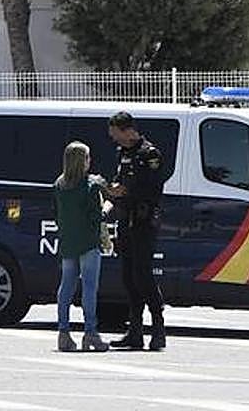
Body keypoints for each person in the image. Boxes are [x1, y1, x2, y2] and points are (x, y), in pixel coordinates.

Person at [104, 112, 165, 351]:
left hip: (143, 221)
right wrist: (111, 192)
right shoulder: (124, 153)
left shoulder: (149, 154)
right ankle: (135, 331)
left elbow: (151, 187)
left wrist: (125, 191)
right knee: (128, 277)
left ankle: (158, 328)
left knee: (143, 276)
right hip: (125, 221)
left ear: (127, 130)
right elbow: (119, 180)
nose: (114, 139)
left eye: (116, 134)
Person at [53, 141, 109, 353]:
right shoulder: (90, 186)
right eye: (87, 157)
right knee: (89, 288)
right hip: (88, 242)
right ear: (81, 161)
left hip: (68, 242)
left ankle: (63, 333)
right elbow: (96, 217)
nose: (90, 161)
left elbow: (57, 213)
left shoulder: (59, 185)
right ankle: (90, 333)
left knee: (66, 287)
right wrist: (106, 207)